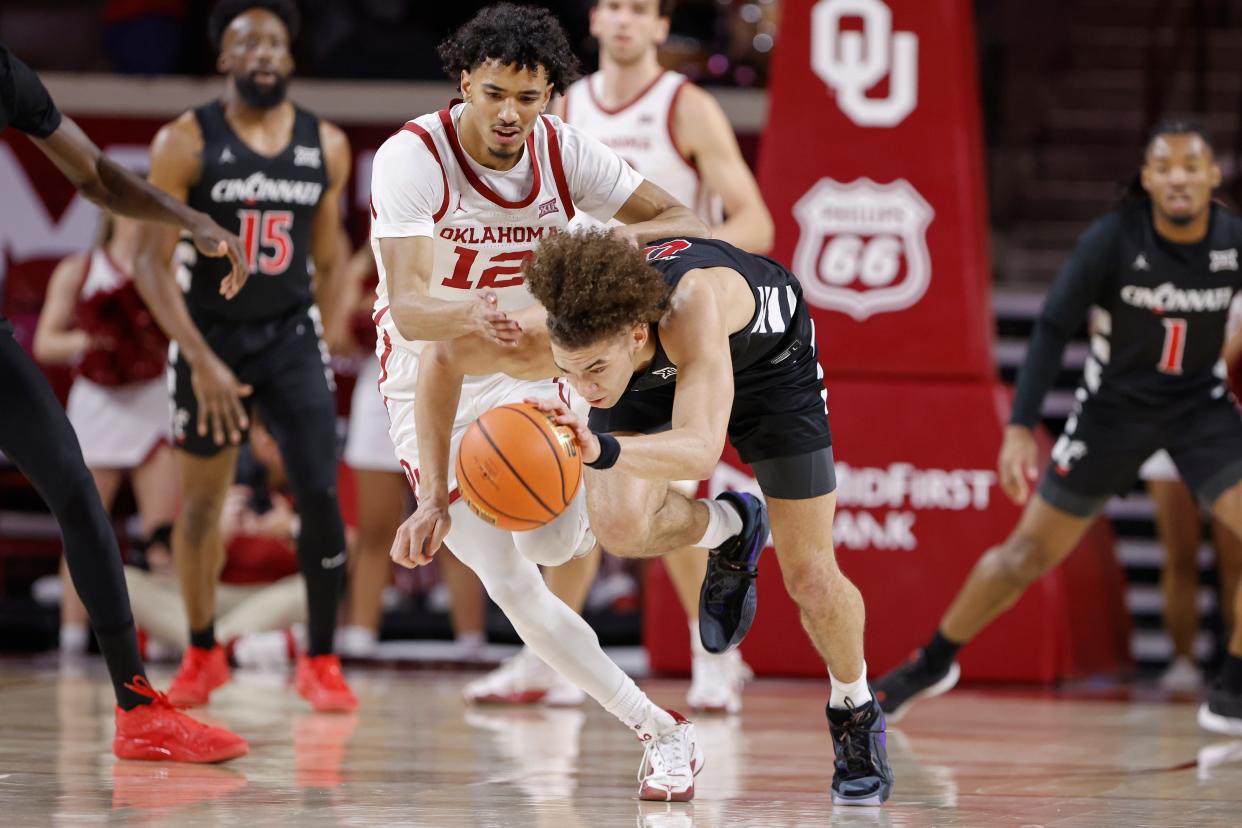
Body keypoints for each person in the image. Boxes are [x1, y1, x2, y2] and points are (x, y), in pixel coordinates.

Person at [407, 230, 895, 806]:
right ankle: (731, 527)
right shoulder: (572, 335)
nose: (584, 387)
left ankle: (854, 707)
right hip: (642, 373)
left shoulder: (691, 306)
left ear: (636, 332)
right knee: (617, 527)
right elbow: (441, 357)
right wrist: (433, 497)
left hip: (769, 365)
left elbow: (701, 447)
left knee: (810, 576)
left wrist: (602, 450)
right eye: (570, 370)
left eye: (592, 369)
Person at [373, 3, 710, 801]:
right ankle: (664, 732)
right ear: (465, 83)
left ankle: (716, 520)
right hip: (430, 370)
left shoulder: (564, 152)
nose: (510, 115)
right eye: (494, 94)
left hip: (532, 357)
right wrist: (427, 500)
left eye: (529, 99)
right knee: (509, 578)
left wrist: (583, 266)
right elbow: (416, 311)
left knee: (559, 548)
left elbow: (681, 221)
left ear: (552, 97)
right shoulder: (412, 156)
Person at [872, 121, 1242, 739]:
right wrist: (1020, 427)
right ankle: (930, 663)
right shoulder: (1113, 239)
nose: (1178, 175)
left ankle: (1232, 678)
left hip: (1199, 408)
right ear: (1148, 179)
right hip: (1112, 413)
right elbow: (1050, 327)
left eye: (1191, 164)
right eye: (1165, 165)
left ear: (1212, 176)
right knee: (1025, 554)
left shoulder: (1232, 240)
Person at [467, 0, 774, 714]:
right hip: (583, 324)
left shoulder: (686, 106)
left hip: (660, 324)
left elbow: (753, 217)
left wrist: (680, 267)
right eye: (614, 6)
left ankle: (715, 661)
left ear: (662, 27)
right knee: (565, 482)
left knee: (657, 494)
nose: (627, 20)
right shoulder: (561, 108)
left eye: (641, 9)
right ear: (595, 21)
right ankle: (544, 656)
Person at [0, 40, 247, 762]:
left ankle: (139, 710)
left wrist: (187, 218)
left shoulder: (8, 75)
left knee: (76, 491)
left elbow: (98, 175)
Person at [131, 0, 356, 712]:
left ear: (290, 58)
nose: (262, 51)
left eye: (274, 42)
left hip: (290, 334)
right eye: (246, 42)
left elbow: (328, 254)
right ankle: (201, 650)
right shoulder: (184, 142)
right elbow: (147, 265)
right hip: (211, 337)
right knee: (200, 507)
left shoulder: (330, 144)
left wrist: (341, 312)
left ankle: (321, 658)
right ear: (224, 59)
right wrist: (199, 359)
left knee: (320, 496)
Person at [32, 212, 177, 657]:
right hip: (99, 407)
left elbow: (186, 335)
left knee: (162, 534)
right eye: (127, 208)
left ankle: (166, 638)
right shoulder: (79, 269)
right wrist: (93, 340)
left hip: (153, 404)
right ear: (110, 213)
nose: (137, 219)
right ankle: (73, 638)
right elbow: (44, 342)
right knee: (86, 528)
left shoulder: (166, 269)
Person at [336, 241, 487, 661]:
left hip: (454, 380)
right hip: (384, 388)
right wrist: (358, 276)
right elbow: (338, 337)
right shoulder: (371, 255)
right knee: (374, 528)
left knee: (459, 523)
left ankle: (471, 643)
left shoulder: (462, 242)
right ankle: (361, 636)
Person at [1140, 450, 1242, 691]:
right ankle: (1182, 661)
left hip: (1230, 438)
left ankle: (1235, 664)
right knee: (1179, 559)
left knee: (1235, 564)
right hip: (1171, 435)